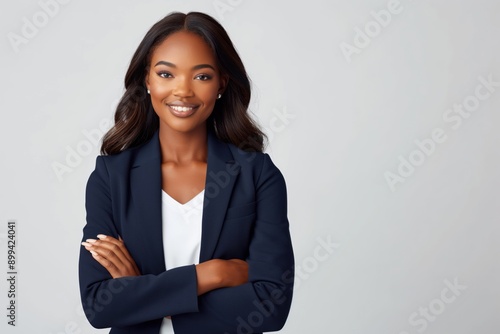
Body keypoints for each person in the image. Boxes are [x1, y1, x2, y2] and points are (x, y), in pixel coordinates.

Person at [78, 11, 294, 334]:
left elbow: (272, 306)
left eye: (202, 76)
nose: (183, 91)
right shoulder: (111, 177)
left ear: (222, 82)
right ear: (146, 81)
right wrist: (212, 274)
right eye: (166, 74)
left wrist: (144, 296)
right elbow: (98, 303)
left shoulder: (258, 176)